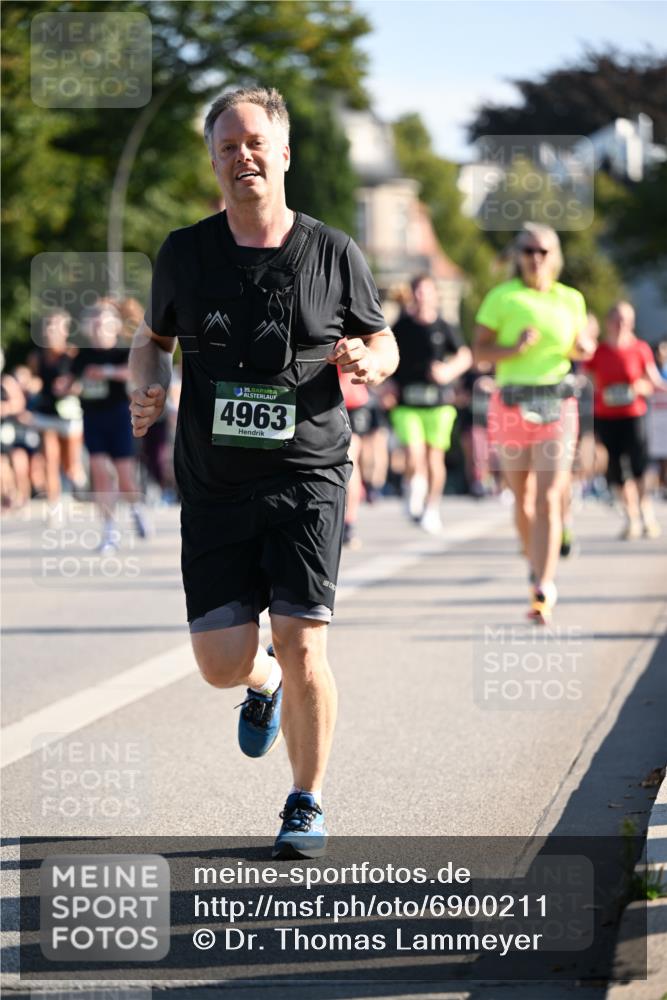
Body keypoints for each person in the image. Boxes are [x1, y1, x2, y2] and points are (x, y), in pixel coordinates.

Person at [128, 87, 398, 858]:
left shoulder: (333, 252)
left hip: (308, 473)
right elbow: (151, 339)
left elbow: (383, 343)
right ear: (213, 162)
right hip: (213, 482)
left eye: (255, 143)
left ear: (282, 154)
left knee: (303, 639)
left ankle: (306, 799)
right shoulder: (184, 252)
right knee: (220, 666)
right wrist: (144, 383)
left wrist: (368, 362)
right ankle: (260, 684)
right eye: (227, 146)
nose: (242, 156)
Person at [474, 223, 595, 624]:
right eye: (528, 250)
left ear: (554, 256)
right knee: (522, 498)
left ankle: (543, 585)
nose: (536, 258)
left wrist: (584, 347)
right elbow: (479, 352)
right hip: (511, 405)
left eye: (543, 251)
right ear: (518, 255)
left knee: (548, 496)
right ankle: (534, 558)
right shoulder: (501, 297)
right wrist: (513, 348)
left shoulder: (571, 299)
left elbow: (580, 344)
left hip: (557, 403)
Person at [390, 274, 472, 533]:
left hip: (438, 403)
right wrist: (386, 385)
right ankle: (413, 487)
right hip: (407, 403)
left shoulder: (444, 326)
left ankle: (431, 508)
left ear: (435, 295)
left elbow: (464, 355)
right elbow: (387, 354)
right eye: (417, 292)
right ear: (411, 295)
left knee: (434, 458)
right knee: (413, 455)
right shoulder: (401, 326)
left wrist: (448, 372)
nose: (421, 297)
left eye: (426, 291)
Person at [71, 299, 150, 552]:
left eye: (103, 322)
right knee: (100, 473)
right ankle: (109, 532)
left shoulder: (123, 351)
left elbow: (133, 373)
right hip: (92, 419)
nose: (98, 327)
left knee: (125, 478)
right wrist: (68, 386)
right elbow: (71, 381)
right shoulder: (81, 355)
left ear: (115, 326)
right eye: (94, 323)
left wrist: (105, 371)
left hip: (119, 418)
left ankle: (136, 509)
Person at [585, 301, 666, 539]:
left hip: (634, 415)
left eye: (626, 320)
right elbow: (587, 379)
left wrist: (639, 387)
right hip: (607, 417)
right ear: (608, 322)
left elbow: (653, 382)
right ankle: (630, 517)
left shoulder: (640, 348)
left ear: (631, 323)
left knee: (639, 467)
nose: (621, 325)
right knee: (616, 470)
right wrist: (598, 388)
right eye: (617, 319)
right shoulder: (599, 352)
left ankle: (646, 514)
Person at [28, 309, 85, 503]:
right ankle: (55, 505)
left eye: (56, 327)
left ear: (65, 330)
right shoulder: (36, 357)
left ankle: (77, 485)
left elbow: (81, 384)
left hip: (69, 414)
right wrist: (31, 386)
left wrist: (69, 388)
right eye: (48, 326)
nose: (51, 331)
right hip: (46, 414)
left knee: (70, 466)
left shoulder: (73, 353)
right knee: (50, 460)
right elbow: (35, 381)